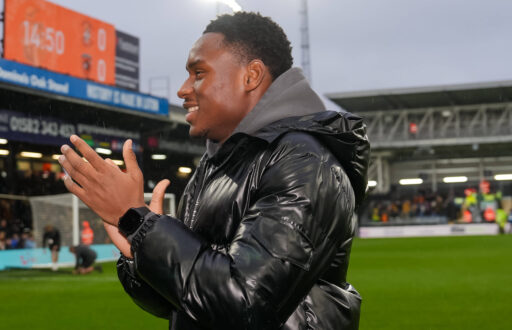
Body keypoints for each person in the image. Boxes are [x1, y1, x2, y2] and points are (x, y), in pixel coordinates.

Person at [58, 12, 369, 330]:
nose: (182, 89)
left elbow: (246, 304)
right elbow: (185, 301)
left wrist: (138, 221)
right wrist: (139, 249)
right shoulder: (214, 166)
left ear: (251, 76)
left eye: (198, 73)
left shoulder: (305, 162)